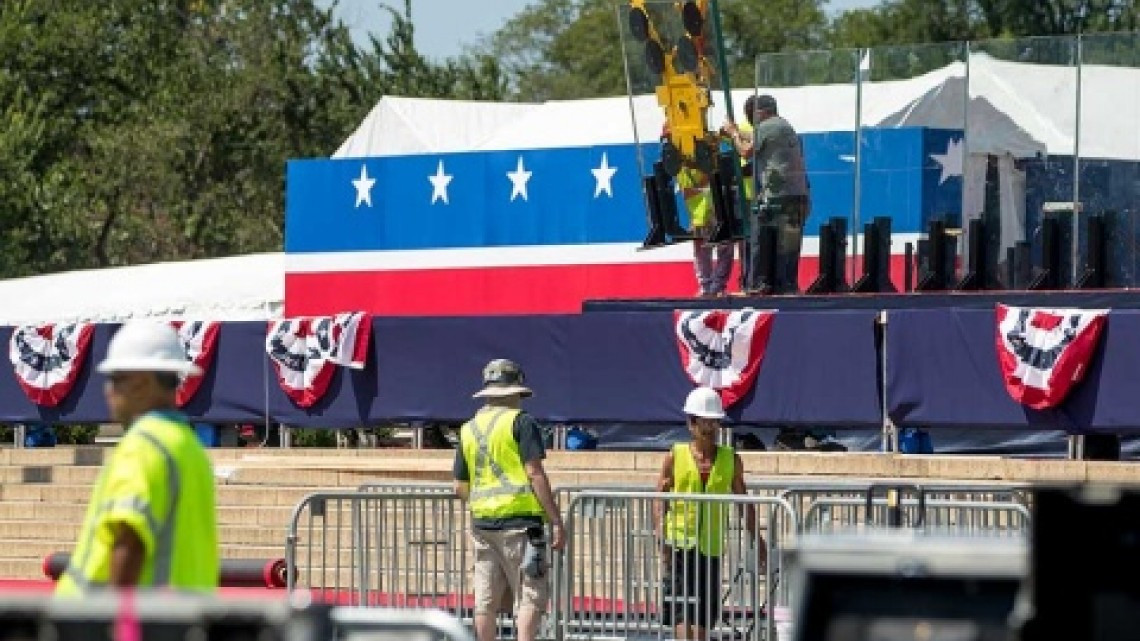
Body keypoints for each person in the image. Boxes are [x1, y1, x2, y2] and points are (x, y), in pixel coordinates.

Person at [56, 321, 219, 595]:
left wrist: (115, 615)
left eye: (115, 379)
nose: (108, 390)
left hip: (109, 614)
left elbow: (130, 541)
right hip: (179, 612)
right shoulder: (188, 446)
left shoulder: (143, 446)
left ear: (141, 383)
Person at [454, 359, 565, 641]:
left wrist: (481, 506)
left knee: (485, 599)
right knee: (530, 594)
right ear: (516, 391)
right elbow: (534, 472)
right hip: (521, 523)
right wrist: (556, 520)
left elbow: (460, 486)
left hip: (482, 524)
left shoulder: (468, 429)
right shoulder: (521, 422)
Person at [654, 387, 766, 640]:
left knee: (703, 613)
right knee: (681, 611)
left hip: (710, 547)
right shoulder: (675, 456)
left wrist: (756, 538)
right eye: (703, 422)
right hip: (680, 545)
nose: (709, 428)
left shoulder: (730, 459)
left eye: (713, 422)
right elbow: (660, 497)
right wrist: (661, 534)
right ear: (691, 423)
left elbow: (743, 501)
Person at [723, 94, 811, 294]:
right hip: (797, 195)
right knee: (788, 248)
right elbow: (757, 139)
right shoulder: (783, 126)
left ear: (759, 113)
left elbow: (745, 151)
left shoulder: (765, 127)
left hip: (776, 196)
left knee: (760, 240)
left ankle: (759, 284)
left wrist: (734, 134)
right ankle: (787, 286)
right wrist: (737, 131)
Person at [676, 161, 733, 298]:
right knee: (702, 252)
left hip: (719, 211)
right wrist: (706, 185)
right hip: (700, 216)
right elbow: (686, 193)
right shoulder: (683, 169)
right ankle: (706, 287)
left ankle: (718, 286)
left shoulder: (714, 159)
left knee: (725, 248)